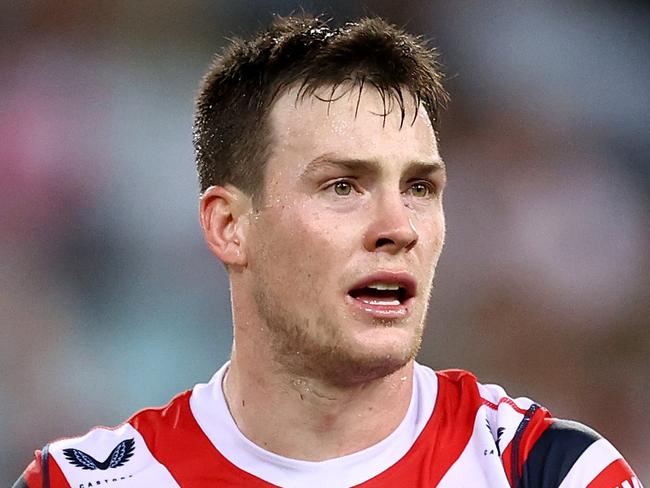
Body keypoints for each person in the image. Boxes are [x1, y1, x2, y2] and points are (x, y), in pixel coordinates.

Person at [14, 15, 641, 488]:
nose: (400, 226)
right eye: (343, 185)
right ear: (229, 225)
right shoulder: (85, 482)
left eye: (420, 187)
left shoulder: (550, 473)